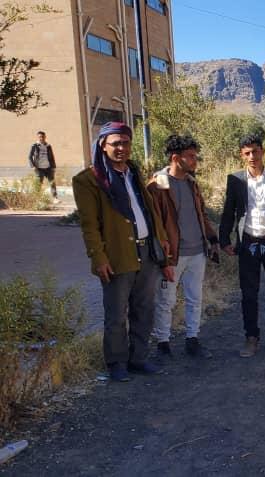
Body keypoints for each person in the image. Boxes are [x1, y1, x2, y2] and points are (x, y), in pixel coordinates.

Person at [72, 122, 169, 382]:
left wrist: (161, 241)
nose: (121, 148)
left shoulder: (133, 172)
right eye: (115, 143)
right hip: (117, 256)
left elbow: (148, 211)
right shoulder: (88, 180)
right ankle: (116, 362)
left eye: (125, 143)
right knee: (116, 313)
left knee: (144, 309)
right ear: (103, 145)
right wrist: (98, 257)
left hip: (146, 252)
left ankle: (138, 358)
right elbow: (89, 225)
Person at [147, 135, 219, 360]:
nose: (195, 160)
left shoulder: (191, 183)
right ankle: (163, 343)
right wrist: (163, 256)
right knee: (165, 300)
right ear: (175, 158)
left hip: (197, 252)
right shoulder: (157, 186)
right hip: (172, 255)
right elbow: (154, 223)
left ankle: (192, 339)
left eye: (195, 156)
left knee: (194, 298)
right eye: (190, 156)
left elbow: (201, 214)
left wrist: (212, 238)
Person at [220, 135, 265, 358]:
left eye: (255, 151)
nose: (252, 156)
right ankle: (251, 337)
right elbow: (229, 211)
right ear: (241, 155)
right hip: (248, 244)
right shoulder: (235, 180)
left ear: (263, 151)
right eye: (247, 153)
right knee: (249, 295)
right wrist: (224, 240)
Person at [29, 130, 58, 199]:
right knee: (39, 184)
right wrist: (33, 166)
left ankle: (55, 198)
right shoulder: (34, 146)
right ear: (38, 137)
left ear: (45, 137)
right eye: (40, 137)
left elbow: (52, 157)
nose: (41, 138)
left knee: (52, 183)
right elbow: (30, 156)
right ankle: (37, 198)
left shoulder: (48, 146)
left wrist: (53, 167)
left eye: (43, 137)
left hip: (48, 168)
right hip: (39, 168)